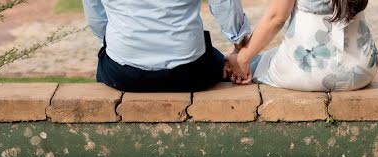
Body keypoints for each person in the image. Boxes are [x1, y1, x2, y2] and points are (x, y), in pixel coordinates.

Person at [82, 0, 252, 93]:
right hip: (191, 72)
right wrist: (240, 50)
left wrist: (116, 45)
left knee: (106, 58)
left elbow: (97, 19)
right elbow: (225, 5)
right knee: (219, 62)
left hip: (122, 74)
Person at [228, 0, 378, 91]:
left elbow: (276, 19)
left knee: (241, 65)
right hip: (362, 70)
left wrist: (242, 59)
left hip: (308, 70)